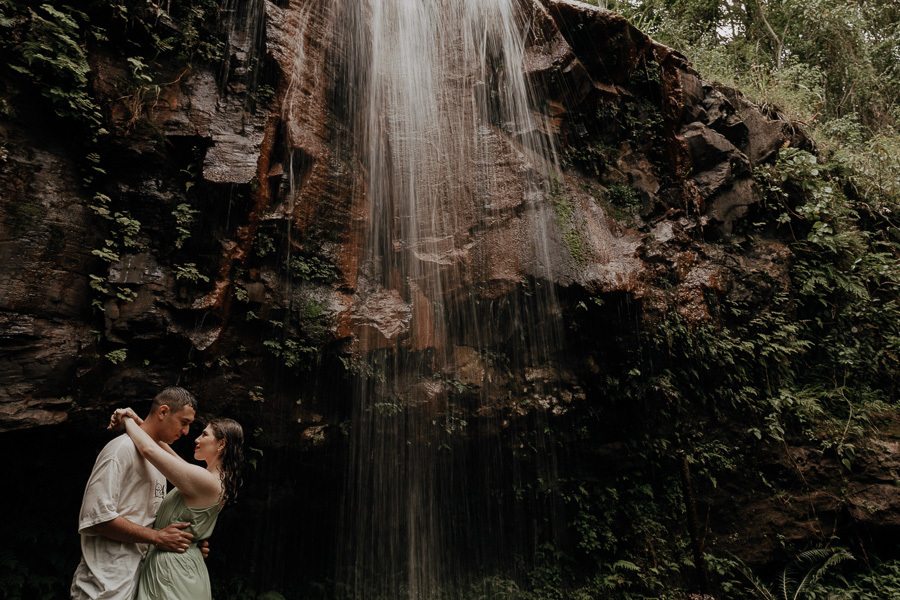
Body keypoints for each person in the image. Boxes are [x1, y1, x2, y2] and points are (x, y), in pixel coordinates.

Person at [70, 387, 199, 600]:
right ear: (163, 412)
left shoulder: (158, 460)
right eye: (184, 422)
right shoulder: (121, 449)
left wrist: (190, 545)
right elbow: (98, 518)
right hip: (102, 586)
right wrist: (158, 537)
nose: (186, 432)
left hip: (137, 582)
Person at [113, 406, 243, 600]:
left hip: (174, 572)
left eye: (204, 435)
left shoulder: (205, 481)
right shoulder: (211, 479)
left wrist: (126, 420)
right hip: (180, 565)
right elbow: (170, 455)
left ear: (221, 444)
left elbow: (148, 449)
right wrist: (141, 421)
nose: (196, 439)